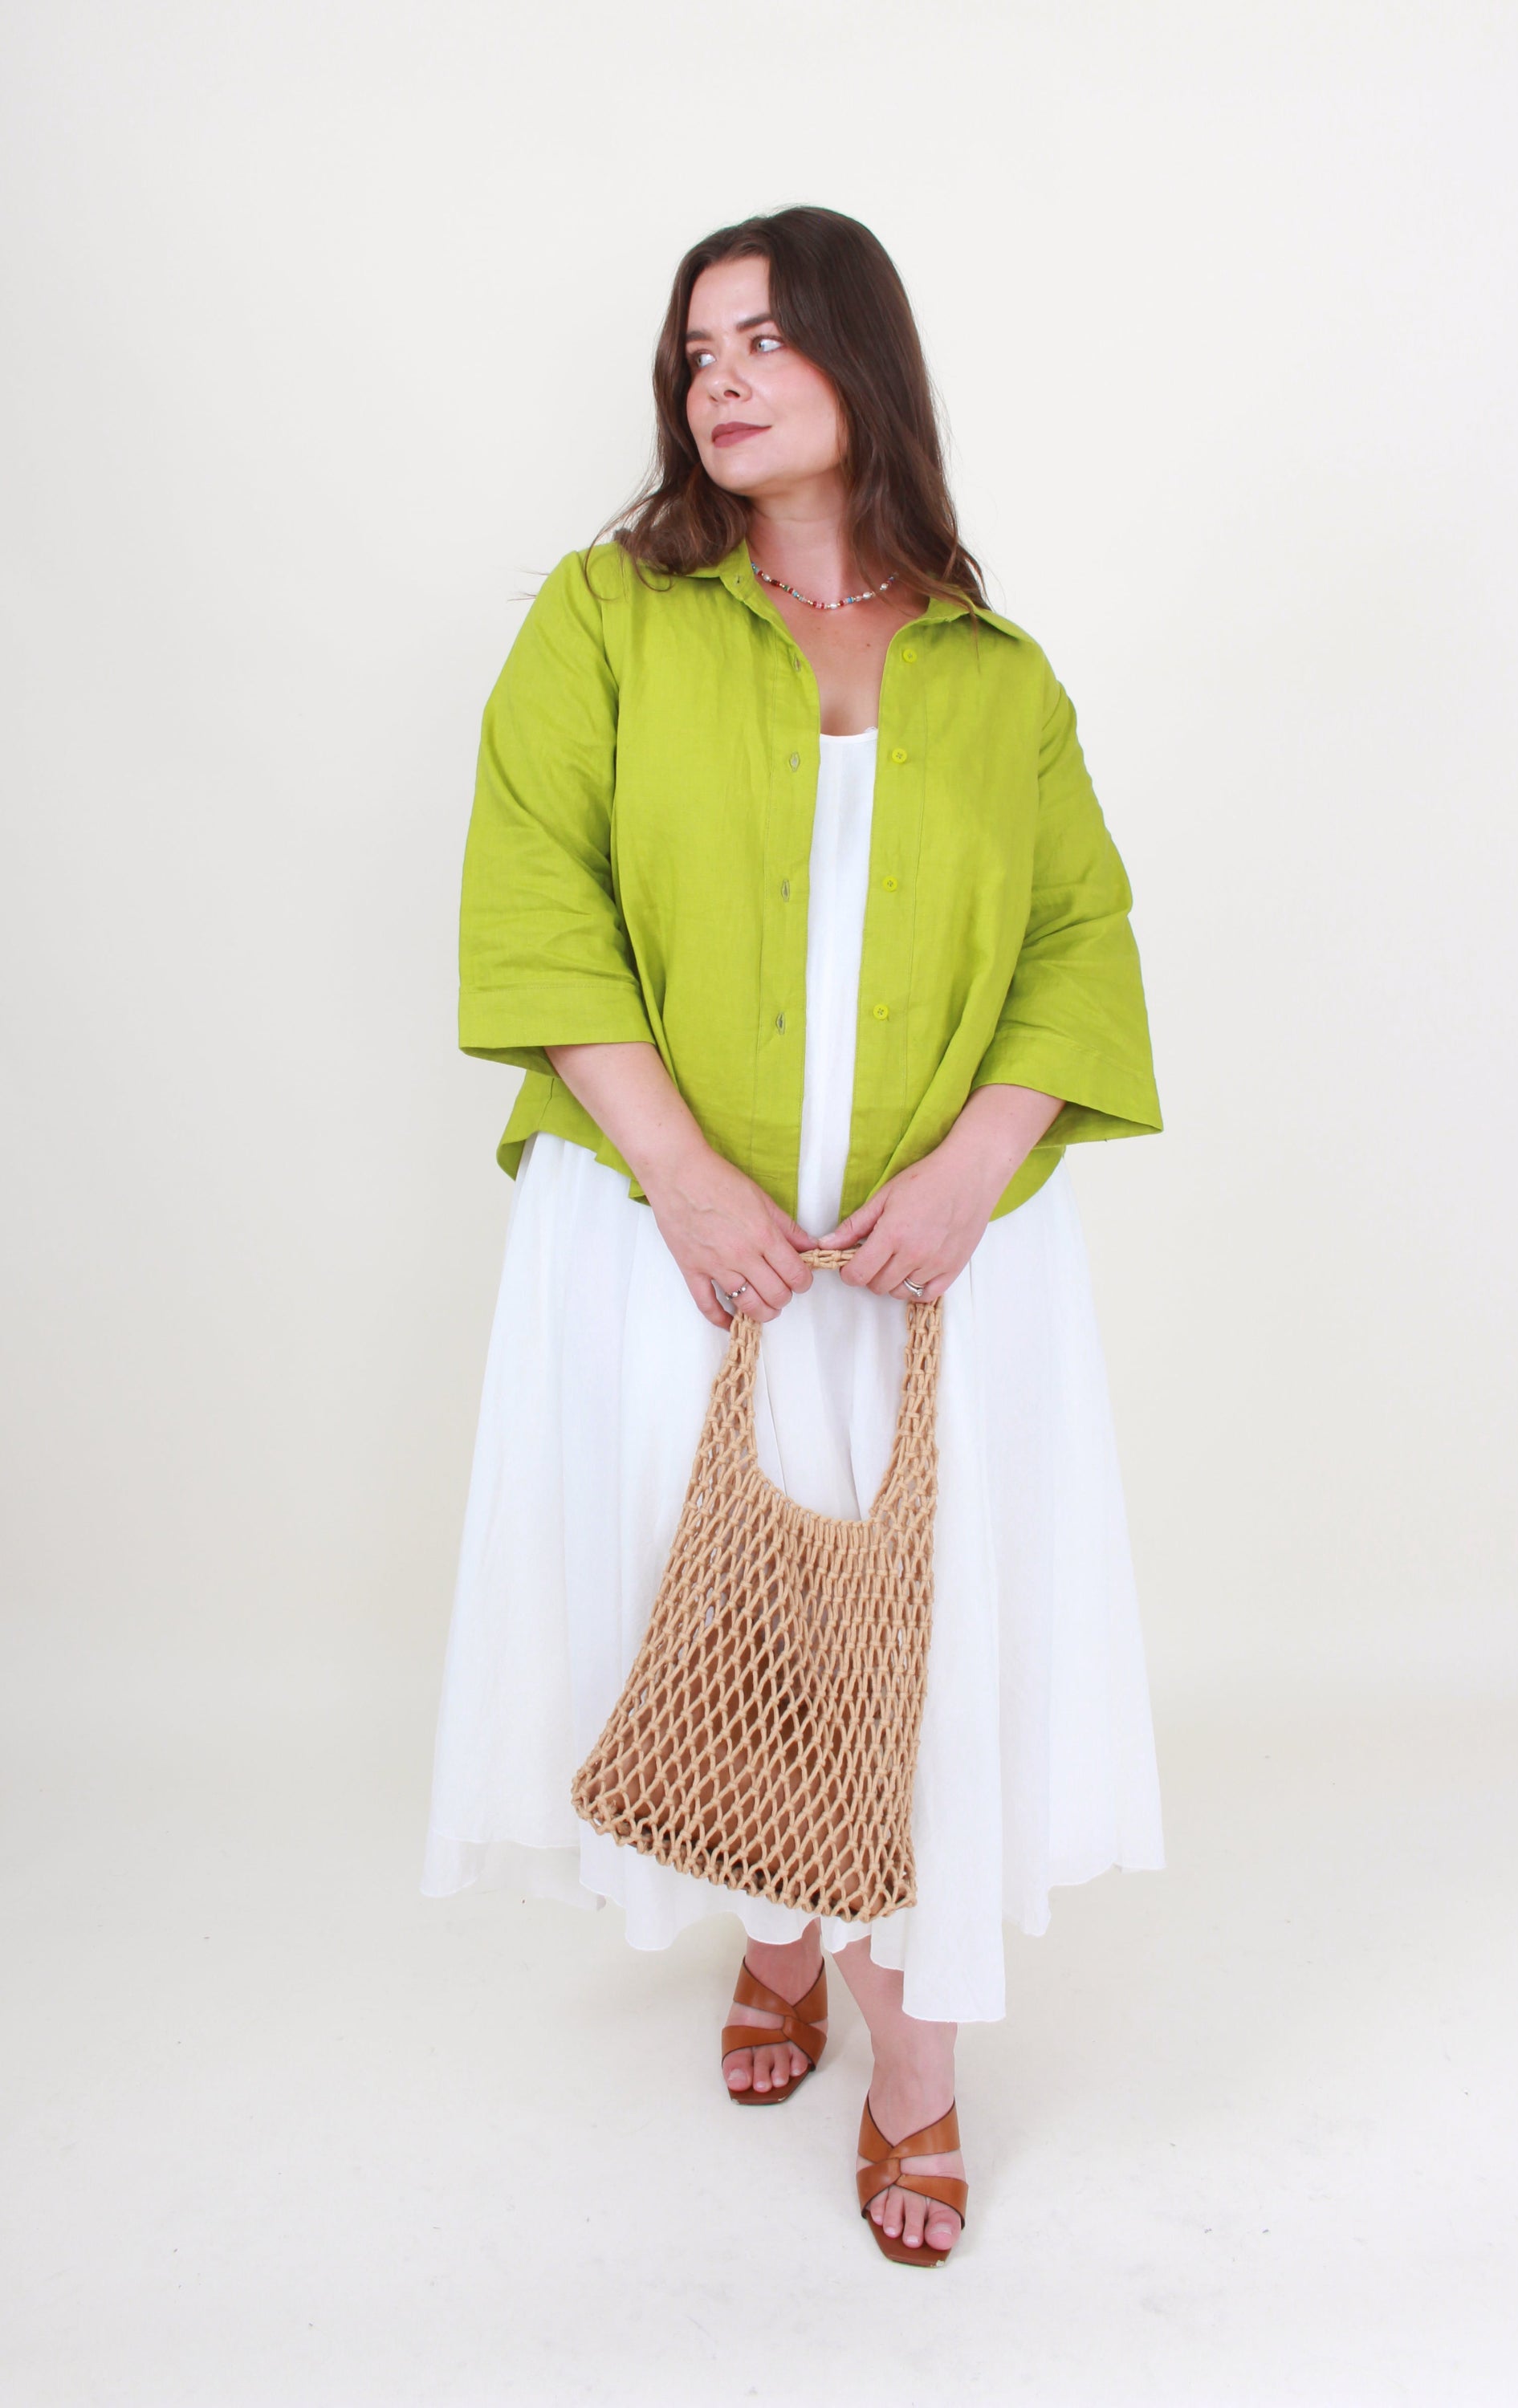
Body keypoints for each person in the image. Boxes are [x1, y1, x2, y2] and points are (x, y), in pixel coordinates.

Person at [422, 205, 1164, 2268]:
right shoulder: (606, 620)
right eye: (696, 354)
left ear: (862, 360)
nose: (721, 382)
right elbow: (536, 900)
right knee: (719, 1617)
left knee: (915, 1641)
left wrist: (973, 1171)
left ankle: (913, 2073)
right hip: (671, 1232)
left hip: (935, 1256)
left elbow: (1081, 943)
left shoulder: (997, 673)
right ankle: (773, 1926)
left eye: (763, 339)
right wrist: (682, 1178)